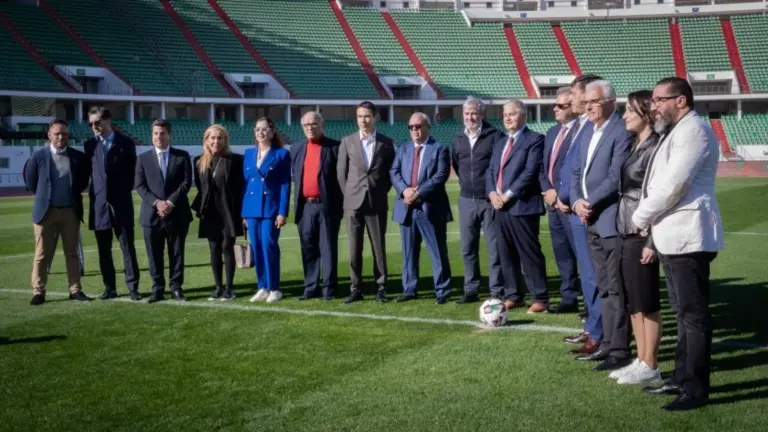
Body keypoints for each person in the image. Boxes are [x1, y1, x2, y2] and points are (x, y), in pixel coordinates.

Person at [633, 77, 723, 411]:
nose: (654, 105)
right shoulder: (676, 130)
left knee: (693, 316)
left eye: (659, 99)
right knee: (683, 313)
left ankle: (695, 389)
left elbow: (673, 185)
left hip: (689, 236)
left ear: (681, 100)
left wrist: (639, 218)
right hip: (673, 235)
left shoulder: (694, 131)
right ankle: (681, 377)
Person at [570, 80, 633, 371]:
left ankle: (620, 349)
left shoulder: (621, 131)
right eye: (586, 103)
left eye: (593, 102)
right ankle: (607, 344)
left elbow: (615, 176)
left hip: (608, 218)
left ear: (610, 101)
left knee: (616, 288)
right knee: (604, 288)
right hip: (590, 218)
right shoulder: (588, 132)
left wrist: (589, 201)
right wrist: (576, 202)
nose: (588, 106)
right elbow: (575, 172)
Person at [608, 90, 662, 385]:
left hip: (642, 231)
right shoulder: (634, 144)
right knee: (633, 300)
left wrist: (652, 240)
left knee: (647, 299)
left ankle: (651, 363)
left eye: (629, 110)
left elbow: (658, 195)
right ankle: (641, 359)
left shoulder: (655, 147)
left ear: (645, 113)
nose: (625, 115)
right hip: (625, 227)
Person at [486, 100, 548, 314]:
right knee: (506, 254)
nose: (508, 118)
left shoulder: (535, 140)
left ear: (524, 116)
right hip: (500, 207)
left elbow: (530, 173)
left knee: (529, 253)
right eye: (505, 115)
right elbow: (491, 171)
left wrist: (508, 195)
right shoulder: (500, 142)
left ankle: (540, 296)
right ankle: (513, 295)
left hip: (523, 206)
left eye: (512, 114)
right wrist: (492, 193)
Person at [559, 74, 604, 356]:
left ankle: (599, 333)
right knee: (587, 277)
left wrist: (574, 200)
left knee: (594, 277)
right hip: (574, 210)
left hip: (587, 212)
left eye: (574, 94)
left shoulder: (593, 127)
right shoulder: (580, 126)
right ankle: (592, 327)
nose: (572, 99)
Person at [25, 119, 92, 306]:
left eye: (64, 133)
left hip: (70, 212)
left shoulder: (78, 157)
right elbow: (32, 183)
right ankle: (38, 291)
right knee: (41, 254)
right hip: (45, 213)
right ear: (49, 135)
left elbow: (83, 181)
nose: (61, 137)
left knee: (72, 254)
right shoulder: (38, 157)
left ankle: (75, 289)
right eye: (57, 133)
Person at [390, 112, 452, 304]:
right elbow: (394, 171)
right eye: (411, 127)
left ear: (427, 127)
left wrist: (418, 192)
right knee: (408, 252)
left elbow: (440, 175)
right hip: (406, 207)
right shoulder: (403, 148)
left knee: (437, 251)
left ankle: (442, 290)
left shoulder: (439, 149)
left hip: (430, 207)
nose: (415, 130)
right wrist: (404, 191)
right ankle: (409, 289)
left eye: (418, 126)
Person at [337, 101, 395, 304]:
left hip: (376, 202)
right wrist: (349, 195)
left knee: (378, 247)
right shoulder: (347, 141)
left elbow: (390, 173)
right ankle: (356, 288)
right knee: (354, 248)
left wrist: (379, 190)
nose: (363, 120)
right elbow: (341, 173)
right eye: (360, 116)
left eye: (367, 116)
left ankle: (381, 286)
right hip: (352, 203)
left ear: (375, 117)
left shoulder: (387, 143)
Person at [450, 96, 505, 304]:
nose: (470, 117)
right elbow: (456, 164)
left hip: (489, 200)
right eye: (467, 113)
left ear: (482, 114)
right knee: (467, 248)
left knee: (494, 248)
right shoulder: (457, 139)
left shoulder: (495, 136)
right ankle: (471, 289)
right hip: (466, 200)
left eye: (474, 113)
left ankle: (496, 290)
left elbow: (499, 167)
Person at [83, 106, 141, 301]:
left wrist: (122, 191)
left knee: (127, 247)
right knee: (103, 250)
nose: (94, 126)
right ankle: (110, 288)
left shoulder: (126, 143)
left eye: (97, 122)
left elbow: (134, 172)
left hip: (121, 204)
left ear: (108, 121)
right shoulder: (89, 145)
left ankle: (133, 288)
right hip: (99, 206)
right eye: (91, 123)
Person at [134, 119, 192, 303]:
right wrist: (157, 203)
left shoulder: (182, 156)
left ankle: (176, 287)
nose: (159, 137)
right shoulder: (142, 158)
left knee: (176, 253)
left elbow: (186, 183)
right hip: (151, 216)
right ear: (152, 135)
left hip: (177, 214)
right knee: (154, 254)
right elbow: (140, 186)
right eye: (156, 133)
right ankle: (157, 288)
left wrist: (169, 203)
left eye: (162, 133)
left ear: (169, 135)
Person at [291, 111, 342, 301]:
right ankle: (310, 287)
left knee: (328, 248)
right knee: (308, 248)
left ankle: (329, 288)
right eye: (306, 125)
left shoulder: (334, 147)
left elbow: (341, 179)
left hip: (327, 206)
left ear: (322, 125)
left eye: (314, 124)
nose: (310, 128)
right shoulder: (296, 148)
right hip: (305, 207)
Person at [192, 124, 245, 302]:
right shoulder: (198, 161)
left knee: (227, 247)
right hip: (210, 212)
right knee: (214, 249)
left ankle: (229, 288)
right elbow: (201, 188)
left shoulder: (236, 160)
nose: (216, 141)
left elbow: (241, 187)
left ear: (225, 140)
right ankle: (218, 287)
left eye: (219, 138)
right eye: (212, 138)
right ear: (206, 140)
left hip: (229, 211)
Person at [539, 88, 580, 314]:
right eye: (555, 104)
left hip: (569, 204)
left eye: (561, 105)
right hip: (552, 203)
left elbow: (575, 168)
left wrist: (561, 193)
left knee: (579, 253)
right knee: (562, 252)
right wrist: (547, 189)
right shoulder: (552, 132)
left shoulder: (580, 132)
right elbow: (543, 166)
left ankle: (591, 301)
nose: (555, 108)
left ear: (573, 108)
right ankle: (569, 297)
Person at [242, 117, 291, 303]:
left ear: (272, 131)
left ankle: (274, 288)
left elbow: (285, 185)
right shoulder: (248, 154)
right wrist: (244, 213)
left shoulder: (280, 154)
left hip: (270, 208)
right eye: (257, 130)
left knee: (269, 245)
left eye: (264, 129)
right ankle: (262, 286)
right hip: (252, 208)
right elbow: (245, 184)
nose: (260, 133)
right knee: (256, 247)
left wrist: (282, 212)